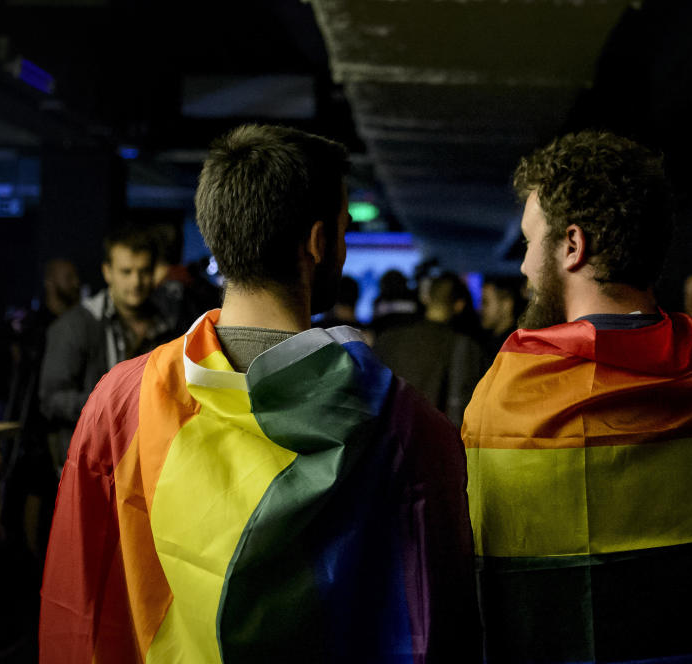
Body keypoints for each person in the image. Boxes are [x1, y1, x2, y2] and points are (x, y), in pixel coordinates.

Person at [39, 124, 479, 663]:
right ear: (319, 242)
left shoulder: (122, 402)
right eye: (341, 230)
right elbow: (432, 623)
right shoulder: (406, 428)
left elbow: (79, 597)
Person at [462, 130, 692, 663]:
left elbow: (483, 580)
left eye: (528, 242)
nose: (522, 266)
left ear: (572, 245)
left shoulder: (510, 395)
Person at [38, 227, 175, 473]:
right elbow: (51, 400)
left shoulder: (167, 323)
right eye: (126, 272)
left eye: (143, 271)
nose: (136, 281)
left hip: (152, 465)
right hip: (92, 468)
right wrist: (114, 407)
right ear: (107, 272)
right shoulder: (76, 325)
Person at [374, 272, 487, 427]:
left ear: (427, 298)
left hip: (389, 440)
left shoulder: (388, 339)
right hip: (436, 442)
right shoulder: (465, 347)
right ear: (459, 305)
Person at [478, 275, 523, 364]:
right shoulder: (488, 342)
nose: (480, 308)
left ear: (506, 305)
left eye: (485, 302)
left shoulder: (516, 347)